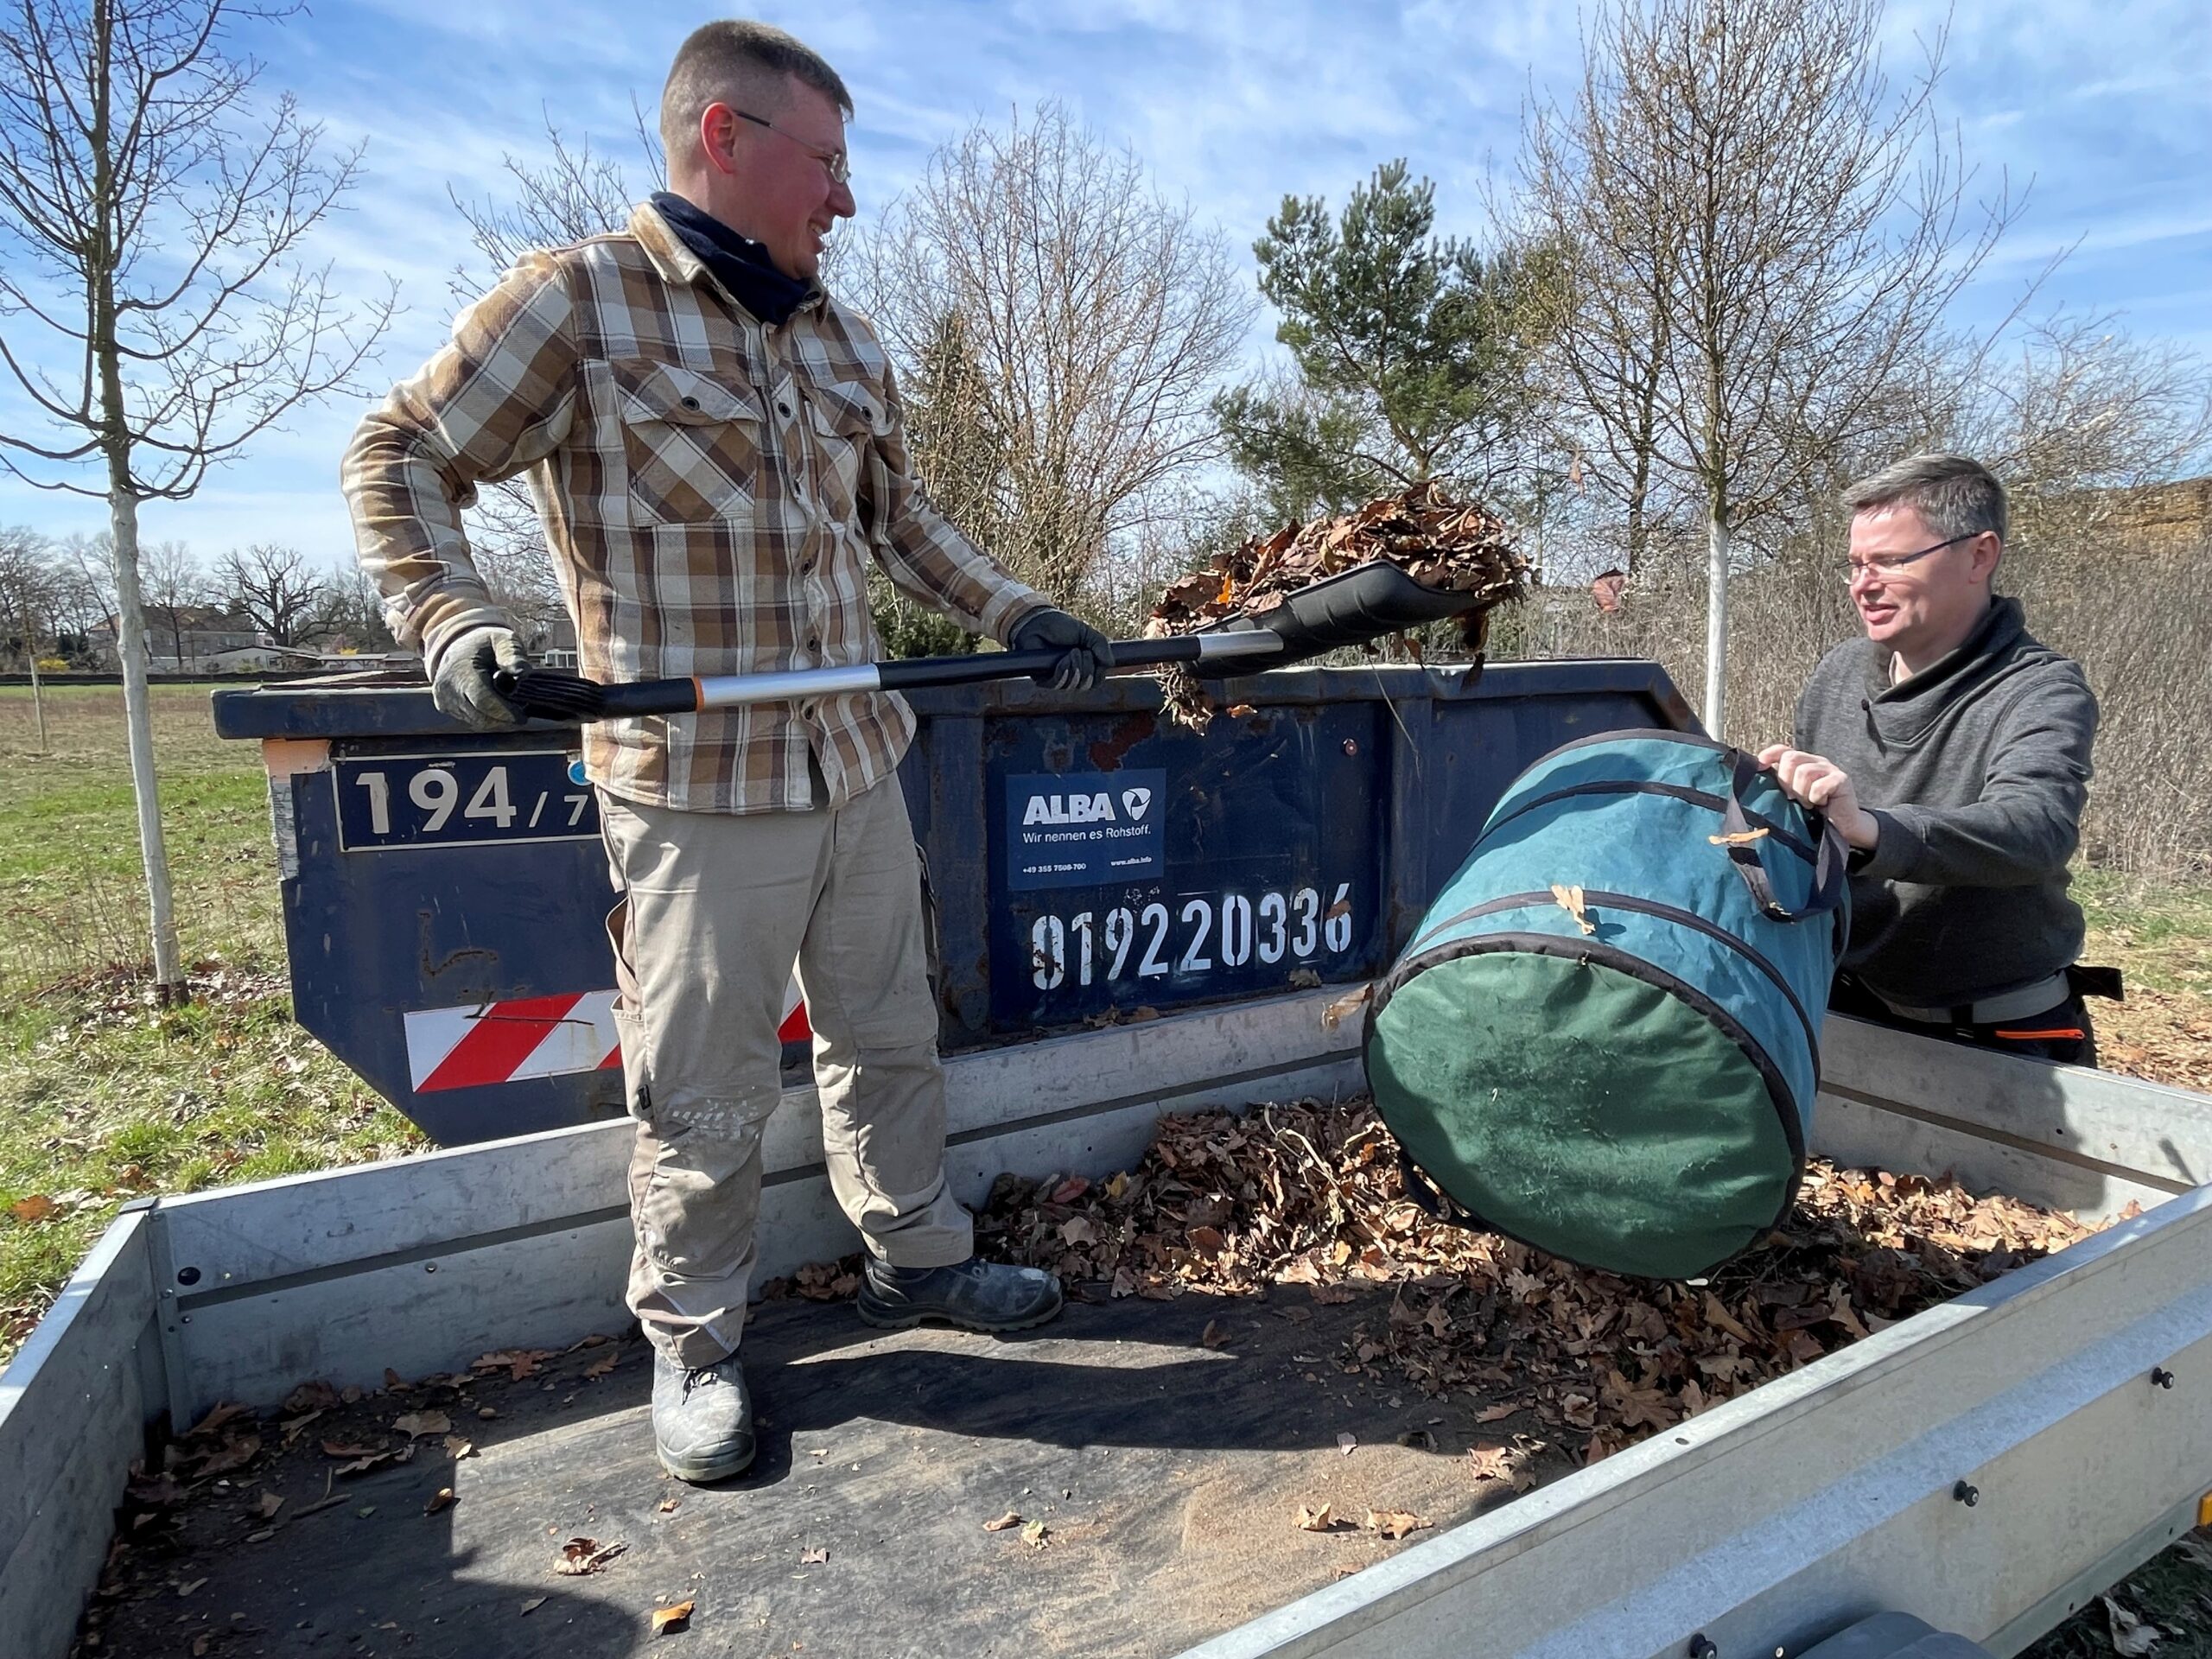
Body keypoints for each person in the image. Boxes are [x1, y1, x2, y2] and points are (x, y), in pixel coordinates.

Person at [342, 20, 1110, 1484]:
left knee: (889, 1040)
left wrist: (1027, 610)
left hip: (853, 765)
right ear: (727, 139)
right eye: (827, 162)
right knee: (701, 1089)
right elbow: (398, 452)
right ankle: (695, 1343)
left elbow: (907, 527)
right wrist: (448, 621)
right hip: (696, 794)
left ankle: (918, 1258)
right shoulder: (582, 305)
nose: (847, 198)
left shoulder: (841, 339)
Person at [1759, 453, 2110, 1066]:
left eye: (1891, 561)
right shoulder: (1838, 673)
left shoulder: (2041, 688)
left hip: (1998, 1034)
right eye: (1856, 565)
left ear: (1980, 555)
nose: (1863, 585)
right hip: (1841, 1008)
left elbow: (2037, 829)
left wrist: (1873, 830)